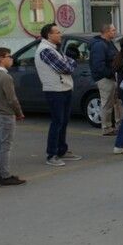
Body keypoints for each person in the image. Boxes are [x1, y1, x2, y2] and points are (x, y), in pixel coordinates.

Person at [34, 24, 80, 167]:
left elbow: (68, 62)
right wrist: (70, 63)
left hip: (64, 88)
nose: (60, 35)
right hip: (55, 90)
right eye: (57, 32)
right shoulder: (45, 50)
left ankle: (61, 149)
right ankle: (52, 154)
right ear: (49, 35)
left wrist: (69, 62)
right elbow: (65, 67)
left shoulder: (54, 49)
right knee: (57, 122)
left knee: (63, 121)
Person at [0, 47, 26, 186]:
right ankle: (5, 175)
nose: (11, 59)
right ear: (1, 59)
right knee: (6, 146)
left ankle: (0, 173)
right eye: (9, 56)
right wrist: (19, 113)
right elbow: (12, 99)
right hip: (5, 114)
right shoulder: (5, 77)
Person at [90, 23, 120, 136]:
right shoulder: (99, 45)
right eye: (113, 30)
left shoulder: (109, 43)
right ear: (106, 32)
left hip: (112, 77)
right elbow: (98, 65)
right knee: (107, 103)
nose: (115, 32)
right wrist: (109, 73)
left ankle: (119, 125)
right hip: (105, 78)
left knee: (117, 102)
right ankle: (106, 128)